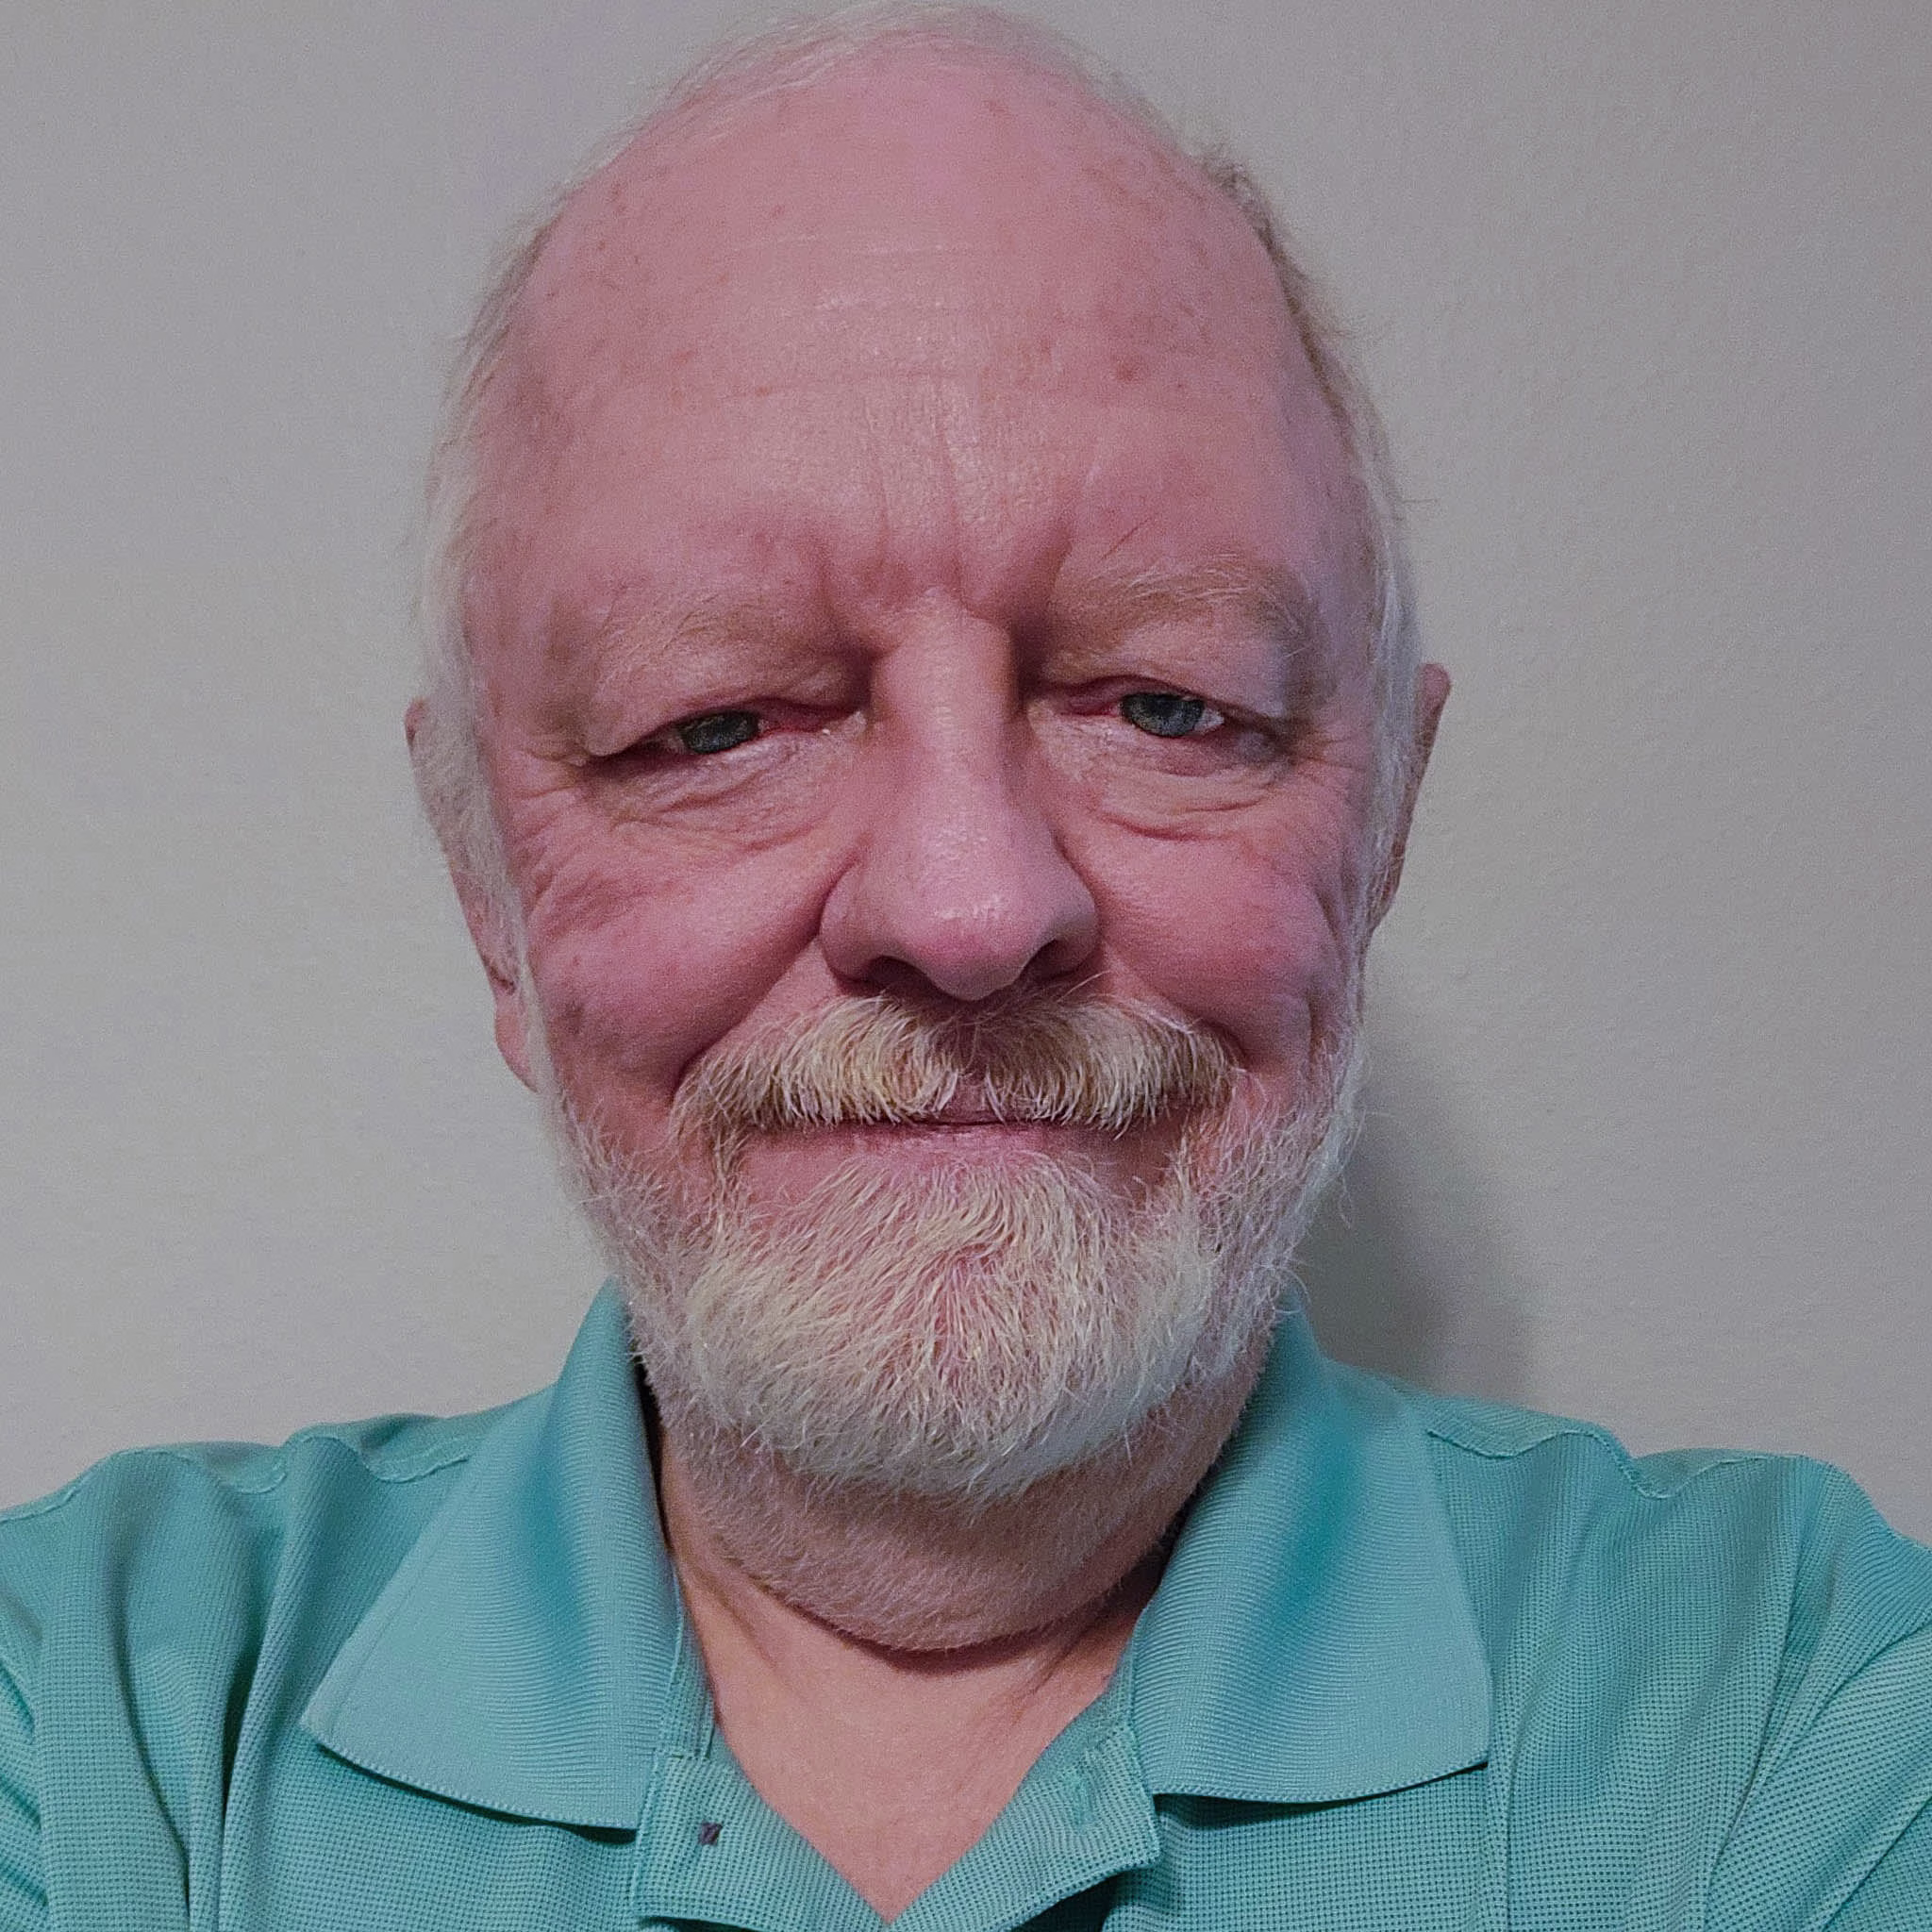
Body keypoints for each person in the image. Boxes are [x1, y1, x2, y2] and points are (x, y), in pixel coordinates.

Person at [2, 8, 1927, 1927]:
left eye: (1166, 704)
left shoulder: (1796, 1720)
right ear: (483, 883)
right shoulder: (96, 1728)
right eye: (717, 721)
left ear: (1384, 826)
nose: (968, 906)